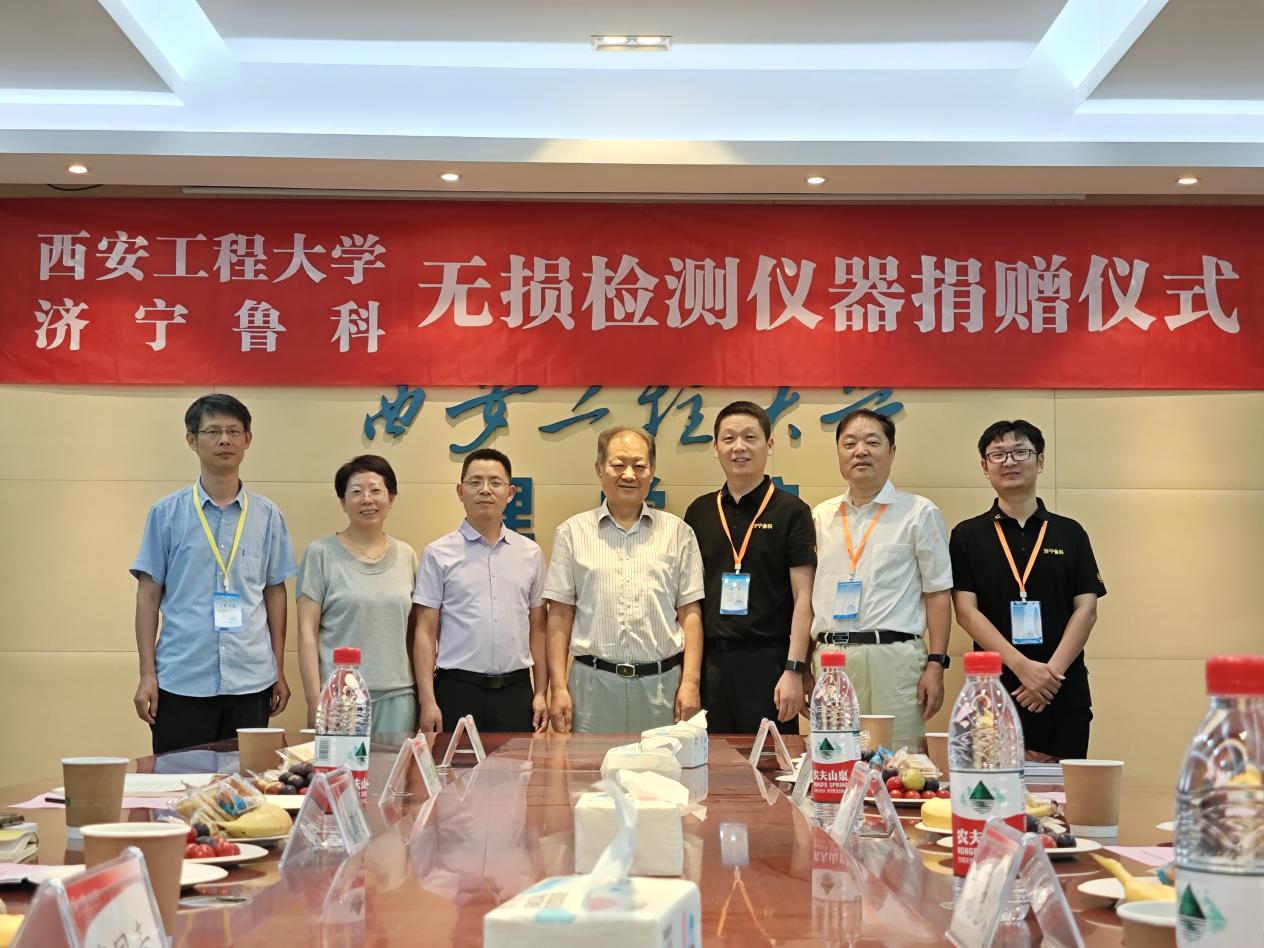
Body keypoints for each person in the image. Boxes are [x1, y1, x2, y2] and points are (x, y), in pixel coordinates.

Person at [130, 394, 296, 753]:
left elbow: (275, 592)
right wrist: (147, 674)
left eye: (234, 431)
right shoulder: (166, 514)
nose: (225, 440)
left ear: (247, 440)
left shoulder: (268, 516)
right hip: (181, 680)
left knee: (249, 782)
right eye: (213, 431)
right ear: (192, 440)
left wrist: (278, 669)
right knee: (179, 782)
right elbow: (148, 595)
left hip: (252, 680)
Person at [949, 420, 1106, 761]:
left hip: (1062, 688)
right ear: (984, 466)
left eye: (1020, 452)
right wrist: (1022, 667)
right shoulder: (967, 535)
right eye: (998, 454)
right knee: (994, 786)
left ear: (1040, 461)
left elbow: (1087, 609)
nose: (1009, 461)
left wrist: (1050, 675)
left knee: (1063, 790)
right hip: (996, 688)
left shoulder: (1070, 532)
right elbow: (966, 612)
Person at [544, 426, 705, 734]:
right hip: (592, 688)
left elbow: (690, 613)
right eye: (618, 465)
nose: (629, 474)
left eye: (639, 465)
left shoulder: (678, 533)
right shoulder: (572, 533)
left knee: (663, 766)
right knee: (590, 767)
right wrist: (559, 687)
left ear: (652, 471)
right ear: (599, 468)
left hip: (662, 689)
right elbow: (561, 614)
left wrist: (690, 683)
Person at [810, 409, 952, 751]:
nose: (861, 451)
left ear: (892, 451)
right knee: (834, 760)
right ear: (838, 453)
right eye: (850, 443)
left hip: (896, 660)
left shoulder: (919, 512)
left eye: (872, 442)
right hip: (831, 659)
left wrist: (936, 663)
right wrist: (800, 666)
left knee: (899, 762)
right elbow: (804, 597)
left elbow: (937, 593)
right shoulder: (819, 517)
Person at [683, 401, 816, 733]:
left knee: (769, 761)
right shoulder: (699, 512)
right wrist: (690, 677)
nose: (738, 447)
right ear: (715, 447)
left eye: (749, 437)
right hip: (710, 666)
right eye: (728, 438)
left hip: (770, 666)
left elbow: (805, 597)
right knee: (710, 761)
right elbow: (688, 599)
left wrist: (794, 669)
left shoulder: (792, 511)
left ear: (769, 445)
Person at [412, 448, 548, 734]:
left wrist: (540, 692)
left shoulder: (531, 553)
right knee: (453, 765)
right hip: (456, 690)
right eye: (475, 482)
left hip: (516, 692)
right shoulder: (438, 554)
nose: (485, 489)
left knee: (517, 765)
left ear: (510, 492)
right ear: (460, 491)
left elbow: (538, 629)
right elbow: (424, 631)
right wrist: (427, 700)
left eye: (495, 482)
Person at [296, 455, 419, 737]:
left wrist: (424, 696)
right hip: (340, 698)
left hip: (398, 696)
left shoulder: (407, 555)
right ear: (342, 501)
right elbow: (306, 633)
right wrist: (315, 700)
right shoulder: (320, 554)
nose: (367, 499)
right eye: (356, 492)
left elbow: (416, 633)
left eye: (376, 490)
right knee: (341, 767)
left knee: (393, 767)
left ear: (391, 497)